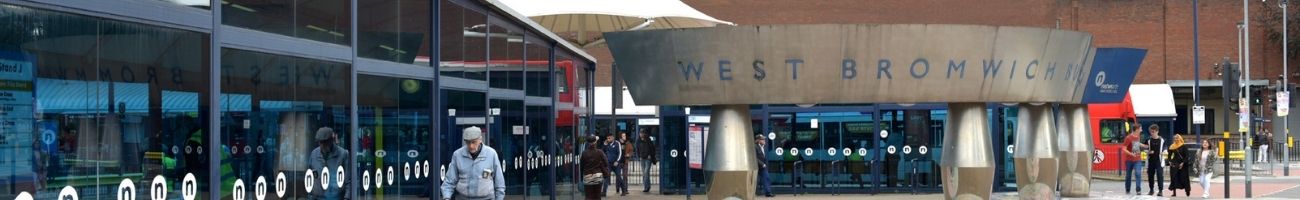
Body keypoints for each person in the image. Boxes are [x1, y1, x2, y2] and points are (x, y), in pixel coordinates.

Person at [441, 126, 506, 200]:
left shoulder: (491, 154)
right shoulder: (457, 155)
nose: (471, 146)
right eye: (468, 142)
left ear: (480, 140)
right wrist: (446, 197)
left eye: (474, 142)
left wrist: (499, 198)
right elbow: (449, 181)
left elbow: (499, 182)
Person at [309, 127, 350, 200]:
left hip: (336, 197)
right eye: (320, 142)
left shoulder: (343, 154)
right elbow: (310, 177)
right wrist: (310, 196)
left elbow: (348, 180)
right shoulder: (314, 154)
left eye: (325, 142)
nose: (322, 145)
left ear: (331, 140)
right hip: (318, 197)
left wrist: (346, 198)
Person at [580, 135, 610, 200]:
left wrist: (581, 177)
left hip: (587, 176)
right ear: (595, 142)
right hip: (598, 176)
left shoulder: (584, 153)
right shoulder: (600, 152)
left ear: (588, 143)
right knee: (597, 196)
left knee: (588, 196)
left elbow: (581, 166)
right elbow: (606, 163)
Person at [1122, 126, 1148, 194]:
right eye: (1140, 129)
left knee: (1138, 173)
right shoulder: (1128, 138)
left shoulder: (1138, 136)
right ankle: (1127, 189)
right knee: (1128, 175)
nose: (1141, 130)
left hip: (1137, 159)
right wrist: (1131, 154)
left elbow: (1137, 144)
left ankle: (1138, 189)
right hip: (1129, 160)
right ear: (1137, 129)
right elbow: (1124, 149)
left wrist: (1144, 146)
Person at [1145, 124, 1166, 196]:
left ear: (1157, 131)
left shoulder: (1162, 140)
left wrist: (1164, 151)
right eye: (1151, 132)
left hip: (1159, 161)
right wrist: (1148, 151)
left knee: (1160, 175)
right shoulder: (1148, 140)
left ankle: (1160, 191)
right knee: (1150, 176)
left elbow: (1165, 148)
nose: (1152, 133)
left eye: (1153, 131)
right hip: (1150, 160)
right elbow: (1145, 149)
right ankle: (1151, 190)